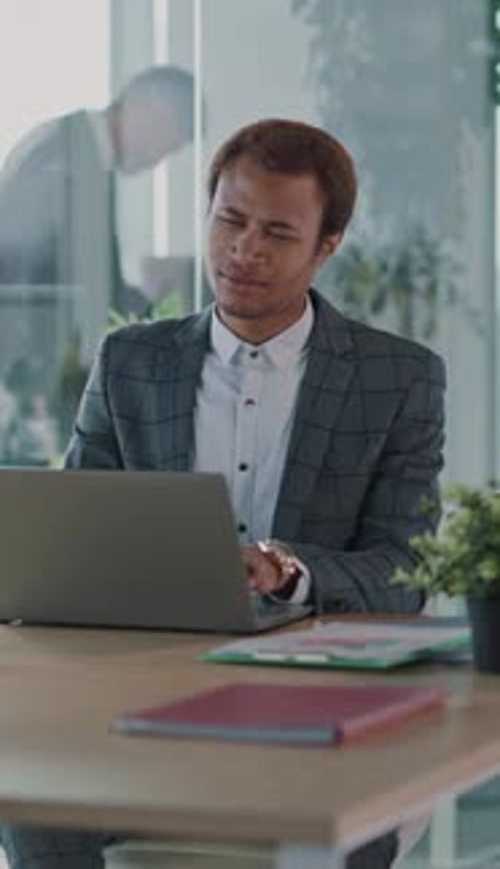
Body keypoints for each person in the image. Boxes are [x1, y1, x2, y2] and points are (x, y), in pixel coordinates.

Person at [0, 118, 446, 869]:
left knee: (347, 828)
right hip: (139, 692)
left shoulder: (398, 377)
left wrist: (288, 569)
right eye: (230, 220)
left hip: (316, 706)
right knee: (31, 797)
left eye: (277, 231)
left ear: (326, 244)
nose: (245, 249)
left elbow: (404, 568)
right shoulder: (130, 361)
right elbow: (73, 542)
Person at [0, 64, 194, 315]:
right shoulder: (66, 157)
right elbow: (37, 279)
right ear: (147, 110)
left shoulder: (82, 152)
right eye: (167, 144)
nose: (156, 161)